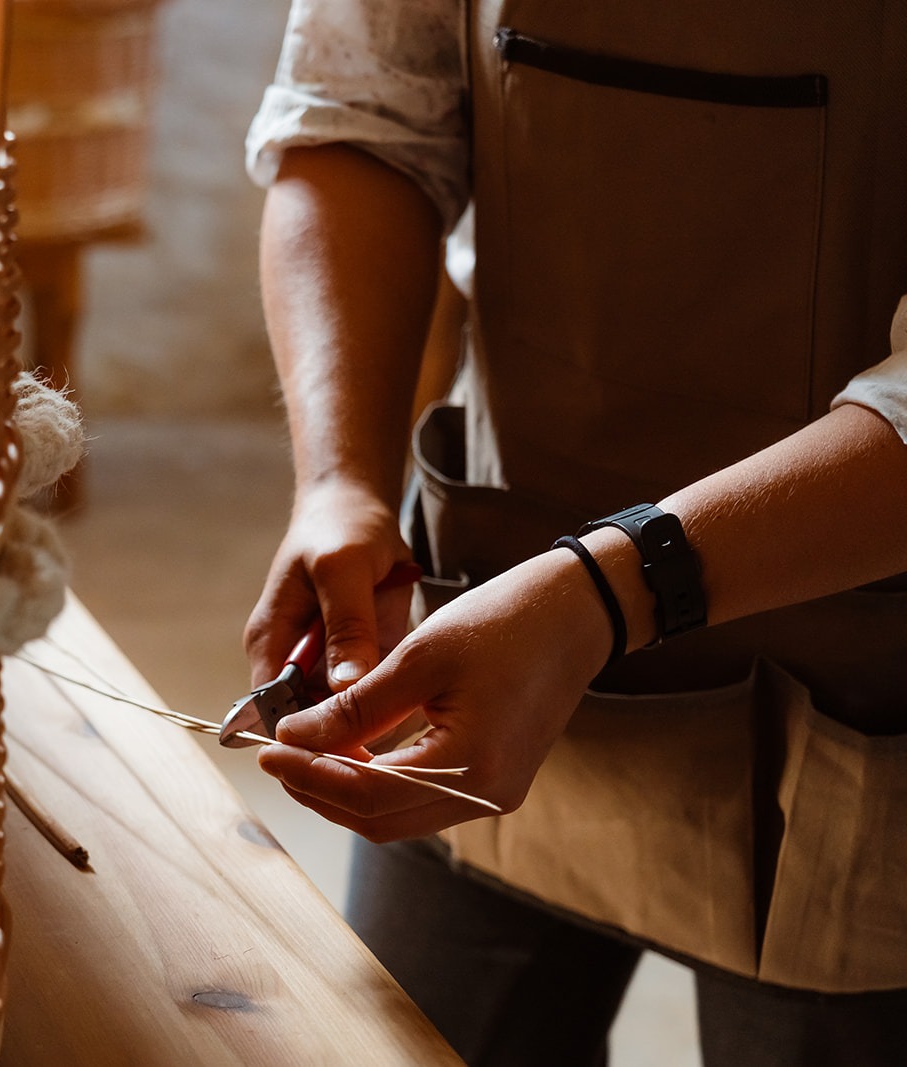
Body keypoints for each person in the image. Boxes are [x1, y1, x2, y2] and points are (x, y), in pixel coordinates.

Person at [240, 2, 907, 1064]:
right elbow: (363, 116)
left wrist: (599, 593)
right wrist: (337, 484)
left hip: (860, 702)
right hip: (489, 609)